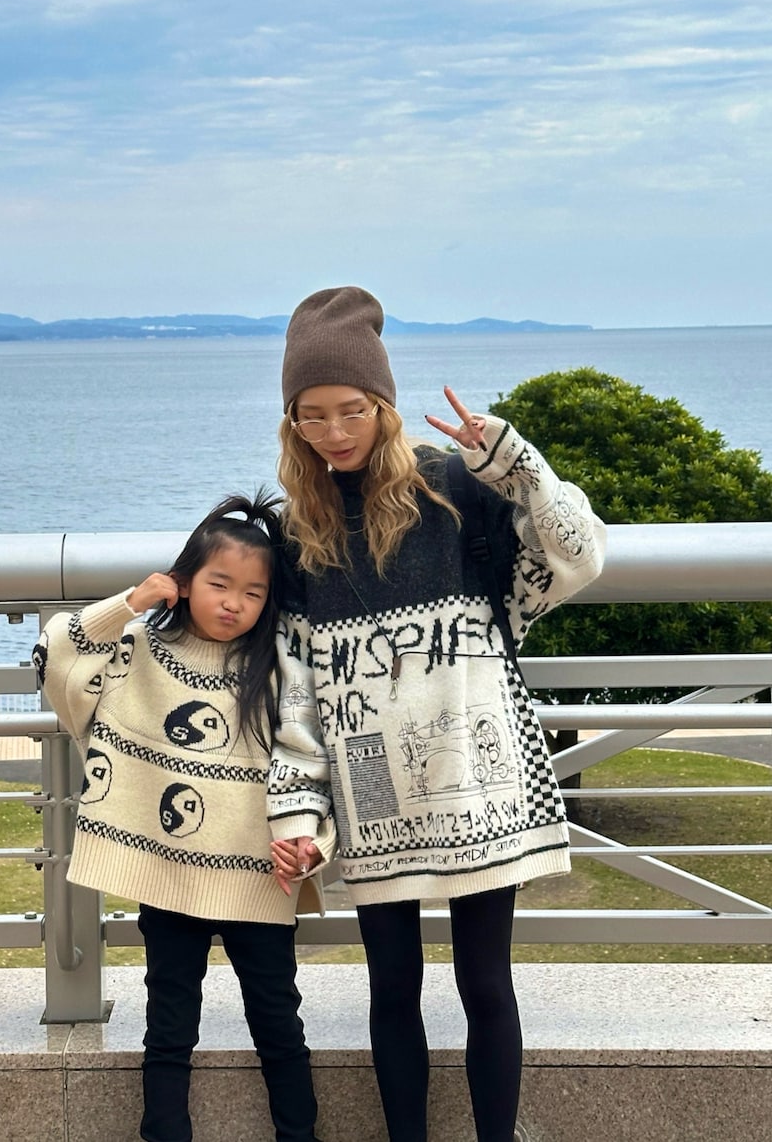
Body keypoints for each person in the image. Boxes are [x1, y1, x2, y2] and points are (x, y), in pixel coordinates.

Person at [269, 287, 606, 1142]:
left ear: (382, 405)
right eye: (313, 414)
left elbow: (580, 556)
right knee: (393, 987)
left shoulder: (458, 488)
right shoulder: (297, 532)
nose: (334, 431)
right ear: (292, 422)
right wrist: (297, 812)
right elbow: (298, 691)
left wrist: (516, 464)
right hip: (372, 791)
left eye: (352, 409)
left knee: (485, 984)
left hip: (479, 780)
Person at [33, 492, 335, 1142]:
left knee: (279, 1026)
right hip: (166, 876)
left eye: (253, 593)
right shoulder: (138, 652)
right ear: (185, 581)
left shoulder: (281, 670)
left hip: (260, 877)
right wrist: (131, 602)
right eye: (219, 584)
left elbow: (313, 765)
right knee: (169, 1028)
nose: (233, 603)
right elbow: (55, 657)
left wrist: (311, 842)